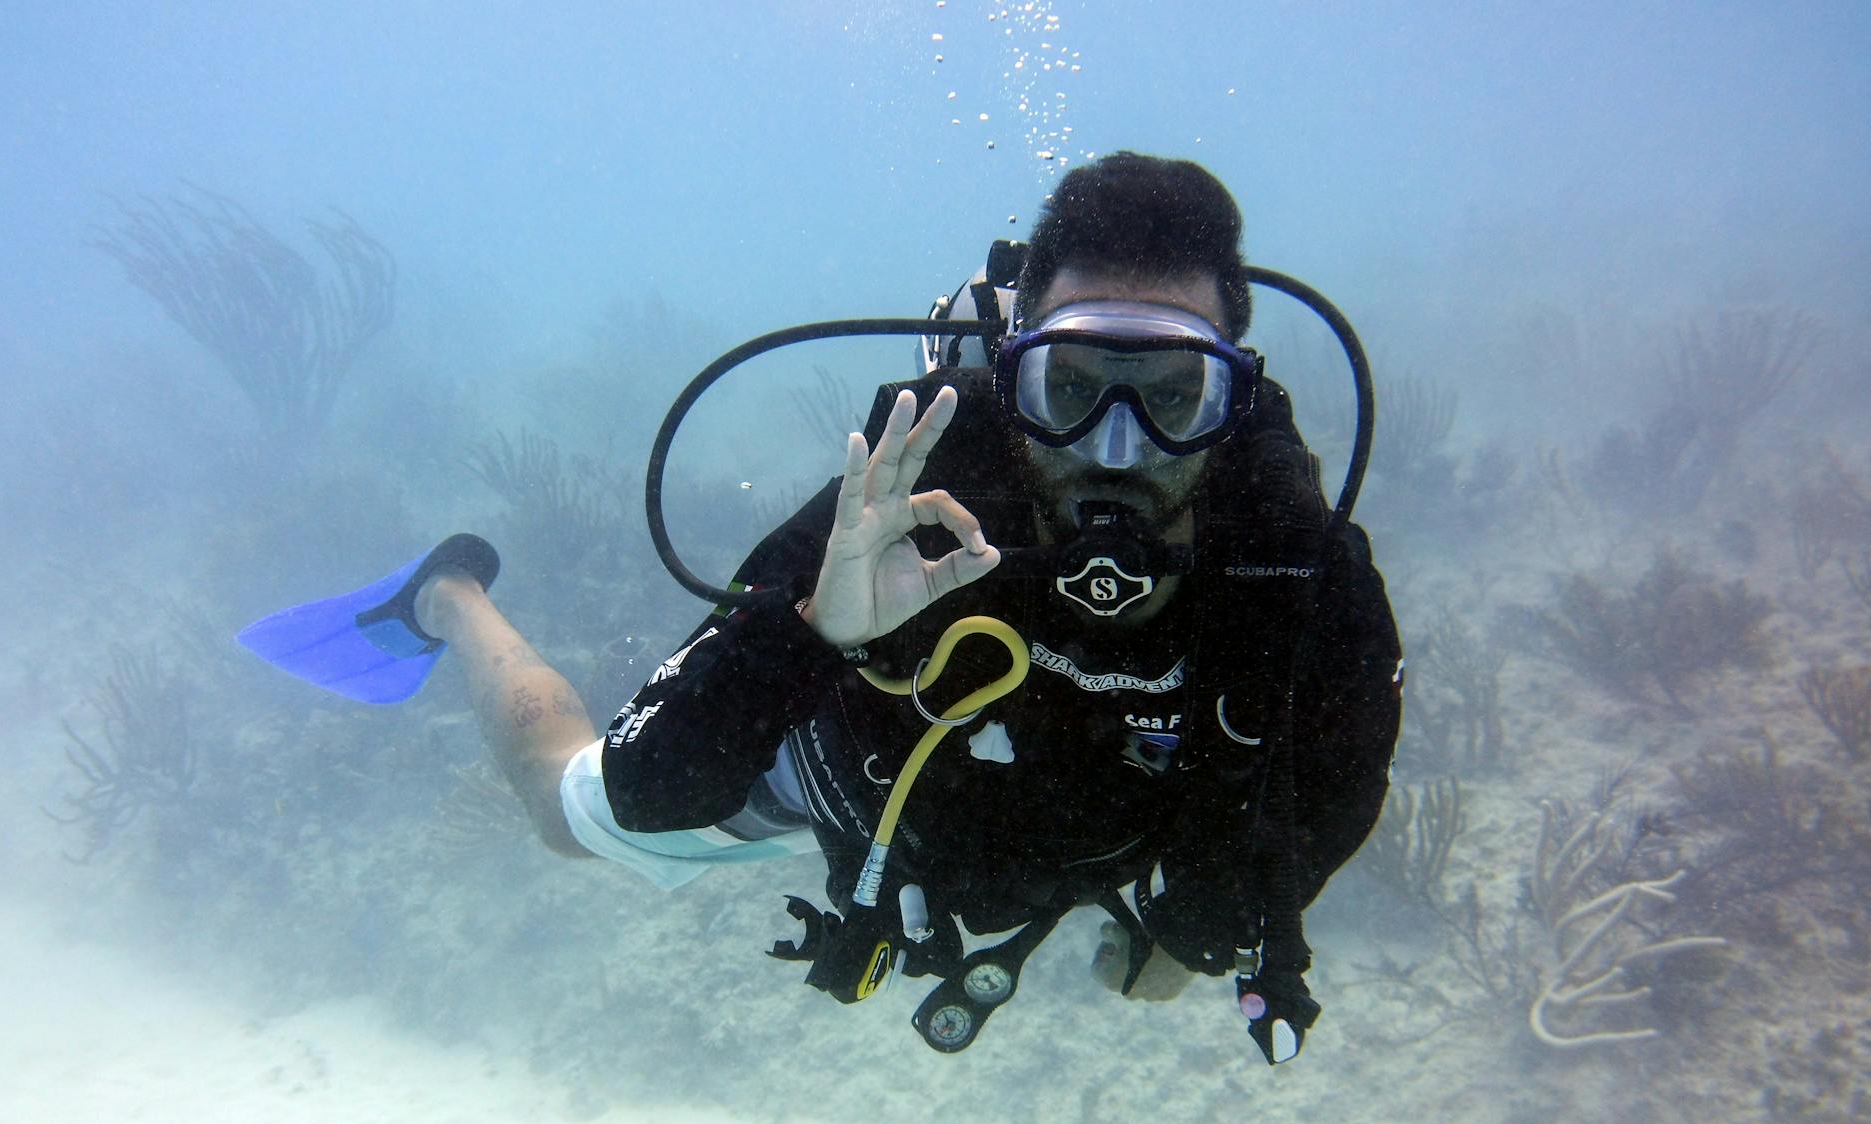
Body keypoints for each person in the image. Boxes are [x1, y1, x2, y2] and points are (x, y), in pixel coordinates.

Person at [240, 152, 1401, 1061]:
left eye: (1171, 394)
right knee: (570, 812)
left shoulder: (1296, 569)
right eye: (1072, 386)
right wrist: (806, 634)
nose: (1115, 446)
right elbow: (653, 790)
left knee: (1175, 959)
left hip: (1124, 814)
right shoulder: (909, 483)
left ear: (1231, 397)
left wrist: (1194, 931)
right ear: (1011, 374)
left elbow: (1298, 839)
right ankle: (447, 594)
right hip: (866, 769)